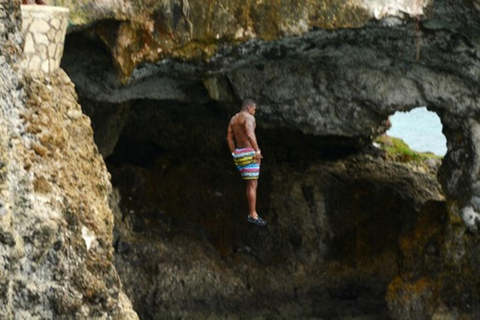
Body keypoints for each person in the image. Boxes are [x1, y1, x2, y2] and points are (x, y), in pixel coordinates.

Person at [227, 99, 267, 227]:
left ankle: (252, 212)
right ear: (249, 108)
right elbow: (250, 134)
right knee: (252, 185)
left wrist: (234, 153)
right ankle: (253, 214)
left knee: (249, 184)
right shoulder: (248, 118)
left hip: (239, 154)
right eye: (254, 110)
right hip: (250, 153)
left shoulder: (234, 119)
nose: (254, 113)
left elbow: (229, 137)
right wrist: (257, 150)